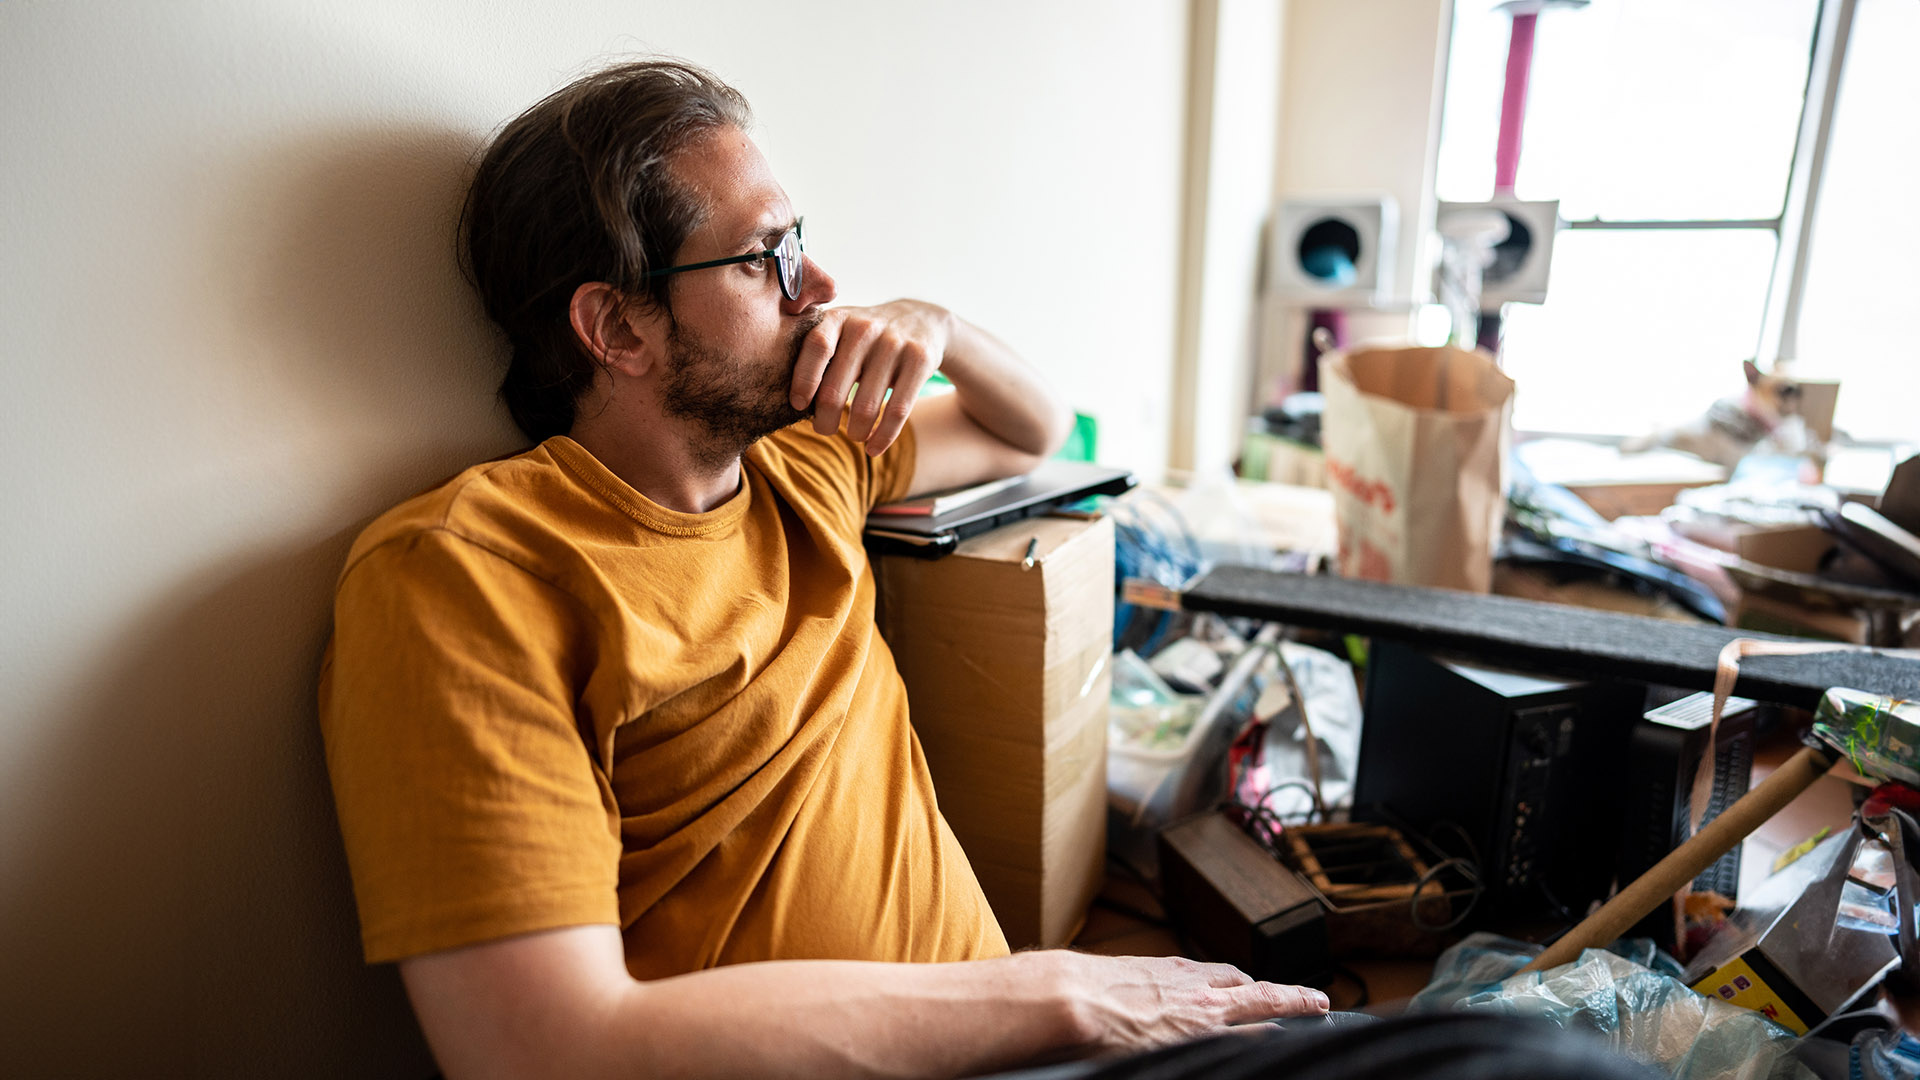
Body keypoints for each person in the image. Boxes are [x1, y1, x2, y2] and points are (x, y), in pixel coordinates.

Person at [317, 57, 1327, 1080]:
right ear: (617, 327)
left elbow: (1032, 430)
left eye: (798, 240)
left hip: (1041, 1036)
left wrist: (938, 325)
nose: (823, 287)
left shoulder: (808, 464)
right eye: (765, 258)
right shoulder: (464, 577)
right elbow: (539, 1051)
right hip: (1035, 1020)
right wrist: (1059, 992)